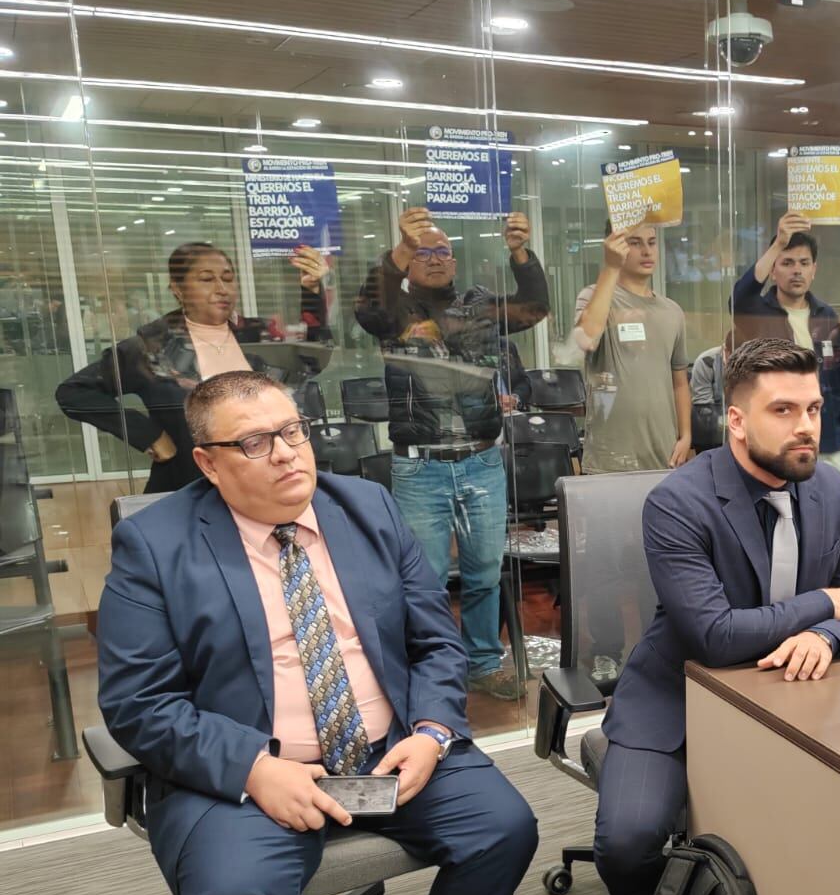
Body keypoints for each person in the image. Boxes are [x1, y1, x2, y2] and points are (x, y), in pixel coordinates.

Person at [95, 371, 539, 895]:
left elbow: (436, 641)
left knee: (505, 829)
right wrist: (254, 769)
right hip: (248, 775)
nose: (286, 454)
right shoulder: (155, 544)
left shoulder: (363, 507)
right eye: (254, 442)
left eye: (293, 431)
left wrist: (434, 731)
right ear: (208, 462)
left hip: (383, 750)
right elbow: (138, 703)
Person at [595, 336, 840, 895]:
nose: (805, 427)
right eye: (783, 410)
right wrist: (827, 602)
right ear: (736, 420)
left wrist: (824, 635)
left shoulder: (826, 486)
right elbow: (716, 636)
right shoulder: (678, 502)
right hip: (678, 697)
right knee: (628, 842)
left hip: (799, 694)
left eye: (813, 409)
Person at [354, 206, 549, 701]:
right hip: (422, 465)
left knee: (485, 571)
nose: (436, 259)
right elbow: (367, 309)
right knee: (427, 578)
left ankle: (482, 662)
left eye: (444, 251)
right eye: (424, 252)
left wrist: (520, 254)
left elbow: (534, 307)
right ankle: (432, 668)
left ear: (456, 262)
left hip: (481, 459)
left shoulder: (478, 307)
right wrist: (400, 247)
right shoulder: (394, 312)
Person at [57, 242, 329, 492]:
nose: (221, 288)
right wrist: (150, 436)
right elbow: (73, 392)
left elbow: (310, 358)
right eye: (207, 279)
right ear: (178, 289)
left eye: (227, 278)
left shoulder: (257, 336)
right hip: (192, 489)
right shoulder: (152, 346)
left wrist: (313, 290)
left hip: (269, 483)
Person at [732, 211, 840, 469]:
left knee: (827, 504)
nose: (797, 270)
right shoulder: (758, 312)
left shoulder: (826, 315)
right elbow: (738, 298)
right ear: (773, 271)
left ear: (814, 270)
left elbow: (839, 374)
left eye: (804, 263)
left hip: (827, 434)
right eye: (787, 263)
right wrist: (778, 244)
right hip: (778, 435)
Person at [573, 223, 693, 473]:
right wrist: (611, 267)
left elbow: (679, 381)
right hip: (610, 460)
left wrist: (685, 436)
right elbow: (587, 337)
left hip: (664, 456)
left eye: (651, 242)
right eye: (635, 243)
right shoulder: (593, 296)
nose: (647, 251)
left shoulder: (672, 311)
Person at [689, 331, 732, 451]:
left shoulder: (751, 362)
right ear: (726, 350)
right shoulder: (706, 361)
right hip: (711, 426)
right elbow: (703, 406)